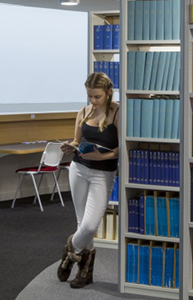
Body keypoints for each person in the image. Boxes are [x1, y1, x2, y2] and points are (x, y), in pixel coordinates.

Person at [57, 72, 120, 289]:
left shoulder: (118, 112)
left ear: (108, 93)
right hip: (78, 168)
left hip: (103, 173)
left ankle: (69, 252)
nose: (92, 101)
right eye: (90, 96)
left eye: (97, 97)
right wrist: (70, 146)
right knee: (81, 222)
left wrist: (102, 156)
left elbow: (123, 148)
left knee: (91, 225)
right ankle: (86, 272)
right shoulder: (83, 112)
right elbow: (77, 140)